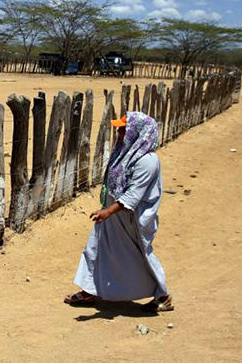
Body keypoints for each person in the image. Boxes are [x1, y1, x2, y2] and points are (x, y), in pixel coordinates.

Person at [65, 111, 173, 312]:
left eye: (124, 129)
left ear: (137, 132)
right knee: (96, 248)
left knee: (141, 255)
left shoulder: (147, 161)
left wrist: (108, 211)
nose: (119, 132)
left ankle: (163, 295)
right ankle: (90, 290)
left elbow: (134, 195)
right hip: (114, 214)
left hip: (132, 219)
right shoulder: (125, 151)